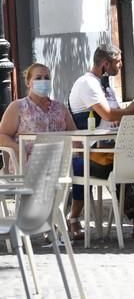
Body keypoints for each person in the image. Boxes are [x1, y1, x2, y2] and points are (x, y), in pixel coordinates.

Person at [68, 44, 134, 238]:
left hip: (112, 147)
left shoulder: (105, 87)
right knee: (132, 157)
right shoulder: (87, 84)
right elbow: (109, 115)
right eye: (118, 62)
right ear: (106, 63)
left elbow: (120, 117)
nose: (121, 65)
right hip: (93, 151)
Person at [0, 63, 80, 234]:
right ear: (28, 83)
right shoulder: (18, 107)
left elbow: (74, 135)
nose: (43, 81)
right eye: (38, 78)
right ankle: (47, 225)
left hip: (58, 163)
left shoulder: (60, 108)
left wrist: (75, 150)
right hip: (27, 163)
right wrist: (18, 148)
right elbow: (2, 135)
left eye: (46, 78)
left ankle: (63, 221)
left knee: (83, 169)